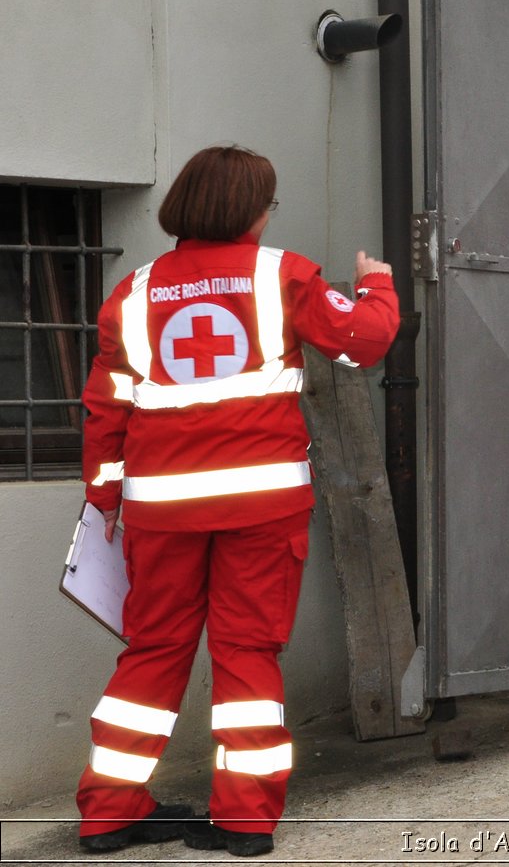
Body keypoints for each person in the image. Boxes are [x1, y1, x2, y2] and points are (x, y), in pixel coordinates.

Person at [75, 145, 399, 857]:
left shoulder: (131, 293)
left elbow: (106, 411)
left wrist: (102, 499)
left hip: (160, 513)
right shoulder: (280, 275)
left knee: (152, 651)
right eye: (267, 202)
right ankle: (243, 818)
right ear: (250, 209)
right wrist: (378, 284)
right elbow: (364, 340)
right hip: (261, 509)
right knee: (247, 653)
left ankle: (107, 809)